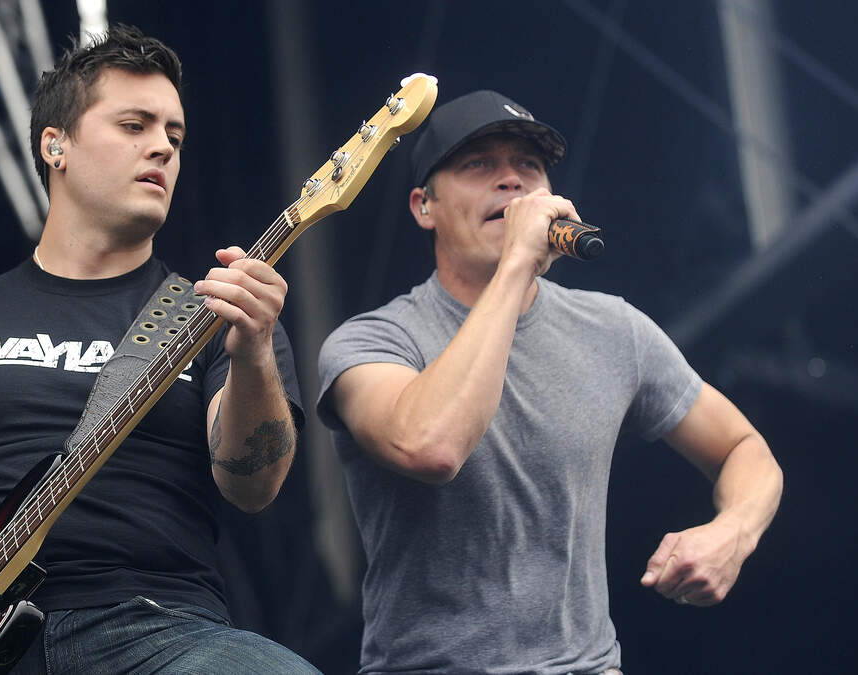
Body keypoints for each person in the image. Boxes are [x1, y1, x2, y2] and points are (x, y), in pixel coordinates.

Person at [0, 25, 320, 675]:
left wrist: (255, 352)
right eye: (133, 125)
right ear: (56, 145)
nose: (162, 146)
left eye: (175, 135)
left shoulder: (218, 318)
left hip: (155, 633)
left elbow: (253, 485)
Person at [316, 90, 784, 675]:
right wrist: (517, 265)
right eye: (478, 164)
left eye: (529, 165)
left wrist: (732, 533)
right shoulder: (372, 341)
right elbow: (430, 446)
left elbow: (746, 450)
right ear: (423, 206)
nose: (511, 180)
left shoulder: (614, 328)